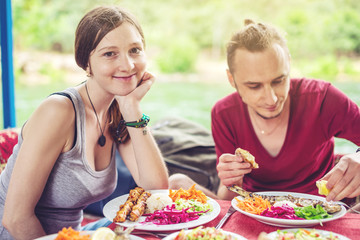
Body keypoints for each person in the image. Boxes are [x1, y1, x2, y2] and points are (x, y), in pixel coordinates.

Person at [0, 6, 169, 239]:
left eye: (135, 50)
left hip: (72, 234)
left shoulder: (118, 111)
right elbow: (15, 218)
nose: (128, 65)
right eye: (110, 53)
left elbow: (156, 188)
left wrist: (132, 107)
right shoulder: (59, 111)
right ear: (86, 63)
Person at [169, 19, 360, 209]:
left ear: (289, 65)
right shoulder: (224, 114)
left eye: (279, 81)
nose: (271, 99)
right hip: (256, 210)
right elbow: (227, 198)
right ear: (232, 80)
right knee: (176, 182)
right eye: (254, 86)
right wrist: (230, 180)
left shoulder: (323, 99)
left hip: (321, 210)